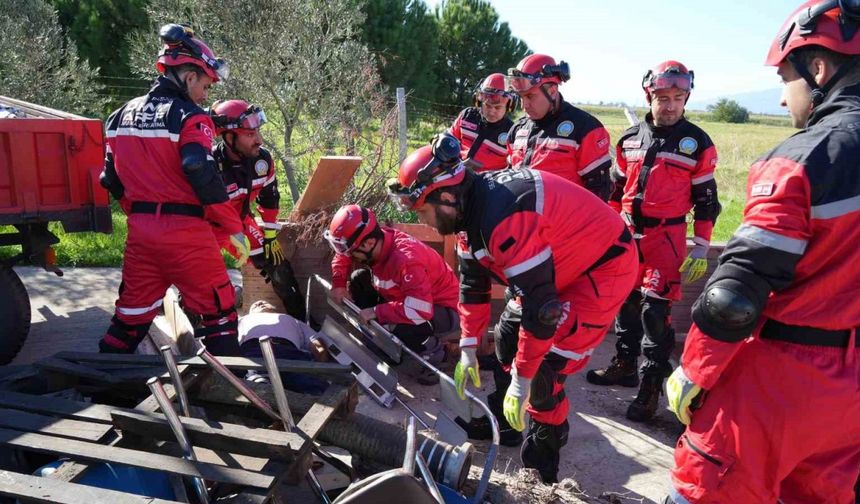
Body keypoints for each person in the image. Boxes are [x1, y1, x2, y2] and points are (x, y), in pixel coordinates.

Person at [664, 1, 860, 502]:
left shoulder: (805, 158)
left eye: (784, 78)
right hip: (851, 401)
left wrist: (695, 370)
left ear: (819, 69)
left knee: (706, 487)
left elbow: (735, 294)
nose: (781, 97)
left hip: (780, 382)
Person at [389, 134, 638, 483]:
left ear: (446, 196)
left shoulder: (504, 218)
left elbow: (542, 310)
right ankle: (506, 424)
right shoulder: (469, 213)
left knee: (544, 372)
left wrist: (522, 380)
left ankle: (542, 466)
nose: (425, 221)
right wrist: (469, 346)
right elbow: (472, 285)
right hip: (556, 266)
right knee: (507, 338)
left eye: (423, 212)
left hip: (600, 270)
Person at [98, 24, 248, 356]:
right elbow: (199, 169)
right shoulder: (191, 118)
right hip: (186, 234)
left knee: (130, 316)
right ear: (190, 77)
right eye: (205, 85)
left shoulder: (117, 117)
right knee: (220, 312)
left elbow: (110, 179)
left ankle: (100, 376)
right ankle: (230, 382)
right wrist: (232, 227)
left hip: (141, 233)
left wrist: (140, 213)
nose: (205, 95)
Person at [586, 60, 721, 423]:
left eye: (678, 98)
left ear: (686, 98)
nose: (670, 105)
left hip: (667, 239)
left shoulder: (697, 143)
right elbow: (616, 192)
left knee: (655, 313)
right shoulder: (629, 139)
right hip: (629, 235)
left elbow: (707, 201)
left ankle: (649, 389)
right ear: (649, 97)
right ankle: (624, 365)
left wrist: (702, 245)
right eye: (663, 98)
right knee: (626, 302)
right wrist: (610, 230)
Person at [324, 204, 460, 383]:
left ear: (368, 244)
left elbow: (419, 310)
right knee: (359, 279)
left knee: (406, 324)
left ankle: (436, 355)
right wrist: (339, 283)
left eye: (351, 252)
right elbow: (343, 255)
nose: (349, 256)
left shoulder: (407, 260)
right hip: (406, 298)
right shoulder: (374, 241)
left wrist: (377, 312)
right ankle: (384, 344)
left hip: (442, 309)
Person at [505, 53, 612, 201]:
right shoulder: (517, 130)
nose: (524, 106)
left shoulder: (585, 128)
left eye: (530, 96)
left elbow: (599, 193)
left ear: (552, 91)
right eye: (521, 97)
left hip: (565, 215)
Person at [209, 100, 283, 271]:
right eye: (250, 135)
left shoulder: (262, 160)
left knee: (268, 261)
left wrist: (270, 235)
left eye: (258, 132)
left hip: (240, 220)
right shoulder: (209, 165)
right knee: (206, 275)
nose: (259, 140)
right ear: (229, 137)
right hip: (206, 228)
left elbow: (269, 198)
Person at [238, 300, 328, 395]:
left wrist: (321, 367)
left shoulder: (291, 319)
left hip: (289, 353)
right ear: (250, 312)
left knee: (313, 387)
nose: (260, 303)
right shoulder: (243, 319)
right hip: (255, 350)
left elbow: (315, 342)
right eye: (255, 305)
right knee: (258, 382)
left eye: (264, 302)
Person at [447, 73, 515, 172]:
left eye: (497, 107)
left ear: (509, 106)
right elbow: (448, 139)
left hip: (491, 180)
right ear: (479, 102)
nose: (491, 111)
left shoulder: (512, 132)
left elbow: (516, 165)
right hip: (457, 171)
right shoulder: (467, 116)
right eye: (487, 105)